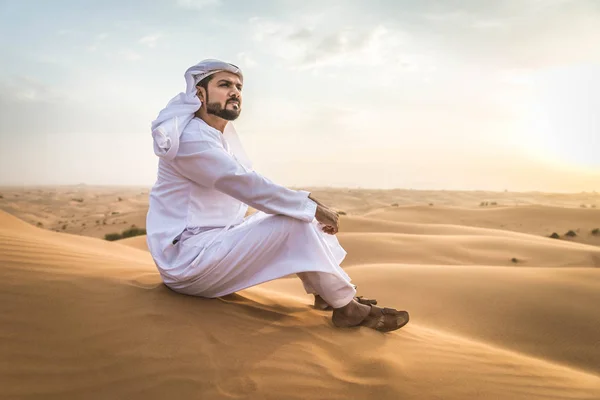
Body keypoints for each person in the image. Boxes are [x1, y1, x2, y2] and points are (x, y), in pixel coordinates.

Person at [146, 59, 409, 332]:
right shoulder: (192, 139)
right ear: (199, 94)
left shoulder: (215, 136)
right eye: (224, 85)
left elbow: (253, 184)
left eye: (238, 86)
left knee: (297, 214)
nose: (235, 92)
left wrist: (306, 205)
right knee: (295, 218)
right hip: (188, 261)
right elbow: (244, 184)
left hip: (212, 244)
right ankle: (347, 308)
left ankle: (329, 295)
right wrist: (307, 205)